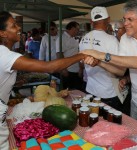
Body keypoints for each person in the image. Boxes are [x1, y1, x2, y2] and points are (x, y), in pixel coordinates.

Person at [0, 11, 90, 150]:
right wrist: (82, 55)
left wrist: (14, 82)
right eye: (13, 26)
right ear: (2, 33)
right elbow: (50, 67)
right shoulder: (5, 54)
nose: (18, 28)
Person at [81, 0, 137, 125]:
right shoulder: (124, 38)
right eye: (124, 19)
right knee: (136, 136)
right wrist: (99, 62)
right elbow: (120, 70)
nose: (125, 24)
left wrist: (101, 55)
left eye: (130, 19)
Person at [79, 6, 123, 110]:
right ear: (108, 19)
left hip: (90, 89)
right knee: (110, 123)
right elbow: (119, 68)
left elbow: (81, 63)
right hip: (108, 92)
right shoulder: (111, 40)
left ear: (91, 21)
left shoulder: (84, 38)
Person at [56, 21, 83, 91]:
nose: (78, 31)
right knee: (68, 92)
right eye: (77, 29)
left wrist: (80, 68)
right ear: (72, 28)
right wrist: (63, 69)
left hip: (75, 70)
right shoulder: (62, 39)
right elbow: (59, 54)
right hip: (68, 71)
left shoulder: (72, 38)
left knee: (76, 92)